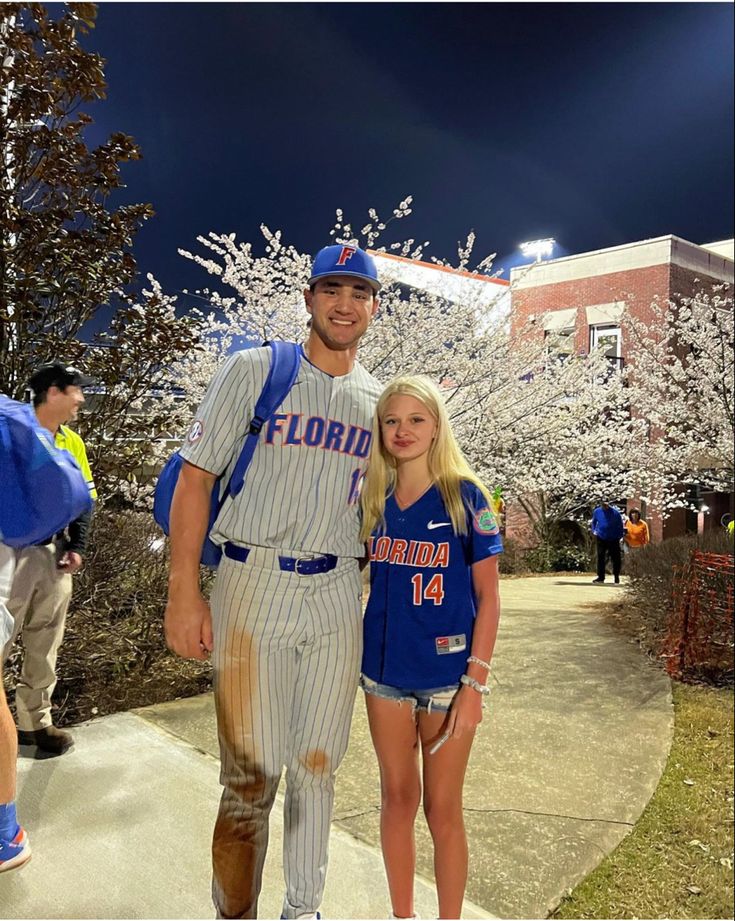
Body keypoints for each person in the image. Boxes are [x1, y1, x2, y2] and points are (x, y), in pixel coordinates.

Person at [164, 244, 383, 920]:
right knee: (249, 777)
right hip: (254, 580)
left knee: (318, 767)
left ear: (374, 307)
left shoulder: (382, 402)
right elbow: (196, 478)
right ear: (309, 298)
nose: (344, 303)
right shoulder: (254, 370)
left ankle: (304, 908)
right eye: (331, 288)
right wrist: (183, 589)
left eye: (358, 292)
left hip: (339, 592)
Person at [359, 376, 503, 920]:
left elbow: (489, 598)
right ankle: (403, 915)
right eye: (391, 420)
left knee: (443, 810)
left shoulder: (466, 495)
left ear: (437, 425)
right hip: (383, 675)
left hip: (448, 680)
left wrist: (475, 685)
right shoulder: (371, 496)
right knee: (398, 800)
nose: (402, 430)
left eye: (415, 419)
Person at [2, 362, 97, 756]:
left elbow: (84, 500)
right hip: (9, 554)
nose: (82, 399)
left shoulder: (72, 441)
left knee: (46, 642)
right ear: (53, 392)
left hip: (53, 553)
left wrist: (77, 546)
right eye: (76, 390)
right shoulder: (10, 435)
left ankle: (34, 723)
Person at [590, 500, 624, 584]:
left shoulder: (615, 513)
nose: (605, 506)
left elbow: (620, 525)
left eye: (606, 505)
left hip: (613, 538)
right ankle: (601, 577)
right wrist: (594, 531)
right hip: (601, 537)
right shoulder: (597, 511)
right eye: (603, 504)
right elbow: (594, 522)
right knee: (601, 557)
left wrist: (619, 536)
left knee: (616, 558)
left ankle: (616, 576)